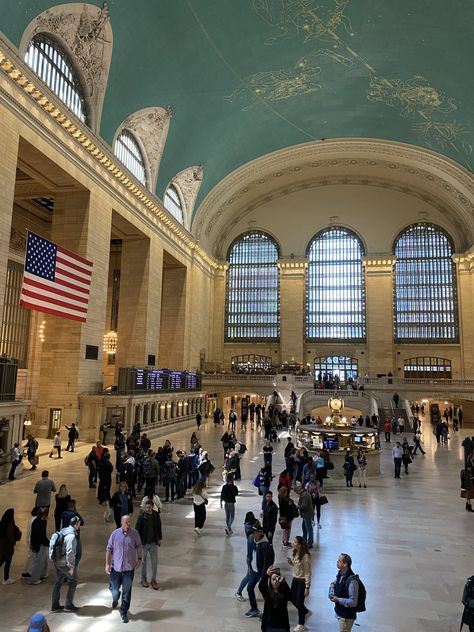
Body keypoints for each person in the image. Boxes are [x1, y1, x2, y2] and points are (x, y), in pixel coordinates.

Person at [105, 515, 142, 624]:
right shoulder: (115, 534)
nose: (129, 524)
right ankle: (115, 597)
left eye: (129, 522)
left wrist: (139, 559)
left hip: (128, 569)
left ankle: (123, 612)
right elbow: (109, 549)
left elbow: (139, 546)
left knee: (127, 591)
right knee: (115, 591)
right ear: (121, 523)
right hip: (116, 568)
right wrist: (107, 564)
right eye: (126, 523)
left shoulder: (134, 534)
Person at [50, 515, 81, 613]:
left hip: (57, 561)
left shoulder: (64, 530)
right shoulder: (71, 536)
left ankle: (54, 606)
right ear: (76, 524)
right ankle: (68, 605)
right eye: (79, 523)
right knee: (74, 581)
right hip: (64, 563)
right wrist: (71, 567)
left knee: (58, 582)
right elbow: (70, 552)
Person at [244, 521, 275, 618]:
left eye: (254, 533)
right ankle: (254, 608)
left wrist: (263, 576)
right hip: (255, 571)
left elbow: (268, 561)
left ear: (260, 533)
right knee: (250, 588)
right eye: (252, 533)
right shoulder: (255, 542)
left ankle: (269, 612)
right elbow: (252, 555)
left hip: (262, 573)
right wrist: (250, 565)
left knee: (266, 593)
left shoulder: (265, 545)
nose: (253, 535)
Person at [258, 566, 295, 632]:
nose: (275, 582)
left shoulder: (284, 591)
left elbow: (291, 596)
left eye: (277, 579)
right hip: (269, 625)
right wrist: (266, 575)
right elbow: (260, 586)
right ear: (270, 580)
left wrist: (284, 582)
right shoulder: (267, 592)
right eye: (273, 579)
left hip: (282, 626)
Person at [135, 499, 162, 590]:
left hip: (153, 542)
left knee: (154, 562)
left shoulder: (155, 515)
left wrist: (159, 538)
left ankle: (153, 580)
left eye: (149, 507)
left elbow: (159, 526)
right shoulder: (141, 516)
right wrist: (137, 543)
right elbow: (137, 529)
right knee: (143, 562)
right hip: (143, 543)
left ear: (152, 507)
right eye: (146, 507)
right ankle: (143, 579)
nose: (148, 509)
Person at [329, 552, 359, 632]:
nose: (337, 562)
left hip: (347, 617)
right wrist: (333, 584)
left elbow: (353, 602)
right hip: (341, 612)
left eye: (339, 561)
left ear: (345, 564)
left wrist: (338, 599)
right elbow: (338, 580)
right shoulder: (341, 573)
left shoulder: (352, 582)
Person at [288, 535, 311, 632]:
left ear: (300, 545)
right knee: (292, 598)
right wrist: (291, 562)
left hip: (301, 581)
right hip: (295, 579)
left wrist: (307, 587)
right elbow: (296, 564)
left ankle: (301, 624)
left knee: (299, 602)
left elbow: (308, 572)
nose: (293, 543)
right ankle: (305, 611)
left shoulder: (305, 556)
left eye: (295, 542)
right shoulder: (296, 552)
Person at [0, 508, 21, 585]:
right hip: (8, 547)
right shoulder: (10, 525)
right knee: (7, 562)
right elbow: (10, 537)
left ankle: (6, 578)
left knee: (2, 560)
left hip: (2, 546)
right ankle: (6, 579)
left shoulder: (2, 523)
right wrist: (13, 542)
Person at [29, 507, 49, 585]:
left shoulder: (36, 521)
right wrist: (49, 543)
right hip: (39, 545)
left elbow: (33, 534)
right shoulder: (42, 523)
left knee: (43, 560)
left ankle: (42, 574)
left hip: (36, 543)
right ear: (44, 515)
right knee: (38, 562)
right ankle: (34, 579)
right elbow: (41, 536)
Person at [295, 482, 314, 549]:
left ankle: (310, 543)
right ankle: (304, 540)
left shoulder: (305, 495)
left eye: (297, 492)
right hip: (305, 514)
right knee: (304, 528)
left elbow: (304, 505)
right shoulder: (304, 494)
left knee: (309, 529)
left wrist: (298, 507)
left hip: (307, 514)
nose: (297, 494)